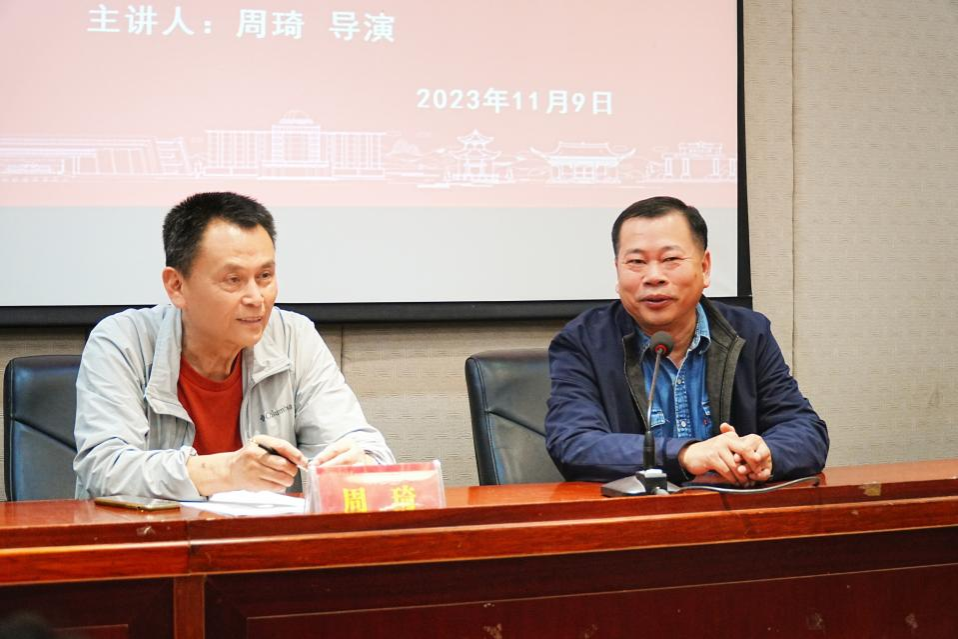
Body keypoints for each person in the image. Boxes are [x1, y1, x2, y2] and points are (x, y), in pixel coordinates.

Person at [74, 192, 395, 500]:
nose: (256, 298)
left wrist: (361, 464)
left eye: (265, 276)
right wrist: (228, 471)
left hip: (261, 536)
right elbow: (106, 470)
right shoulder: (123, 342)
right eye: (233, 280)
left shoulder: (294, 337)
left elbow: (367, 449)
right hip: (150, 536)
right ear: (176, 285)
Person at [545, 196, 828, 486]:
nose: (654, 276)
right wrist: (685, 455)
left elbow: (806, 431)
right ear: (617, 271)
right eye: (636, 262)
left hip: (735, 506)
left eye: (670, 260)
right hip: (632, 510)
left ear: (705, 267)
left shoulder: (749, 333)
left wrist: (765, 454)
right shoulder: (583, 342)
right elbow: (573, 444)